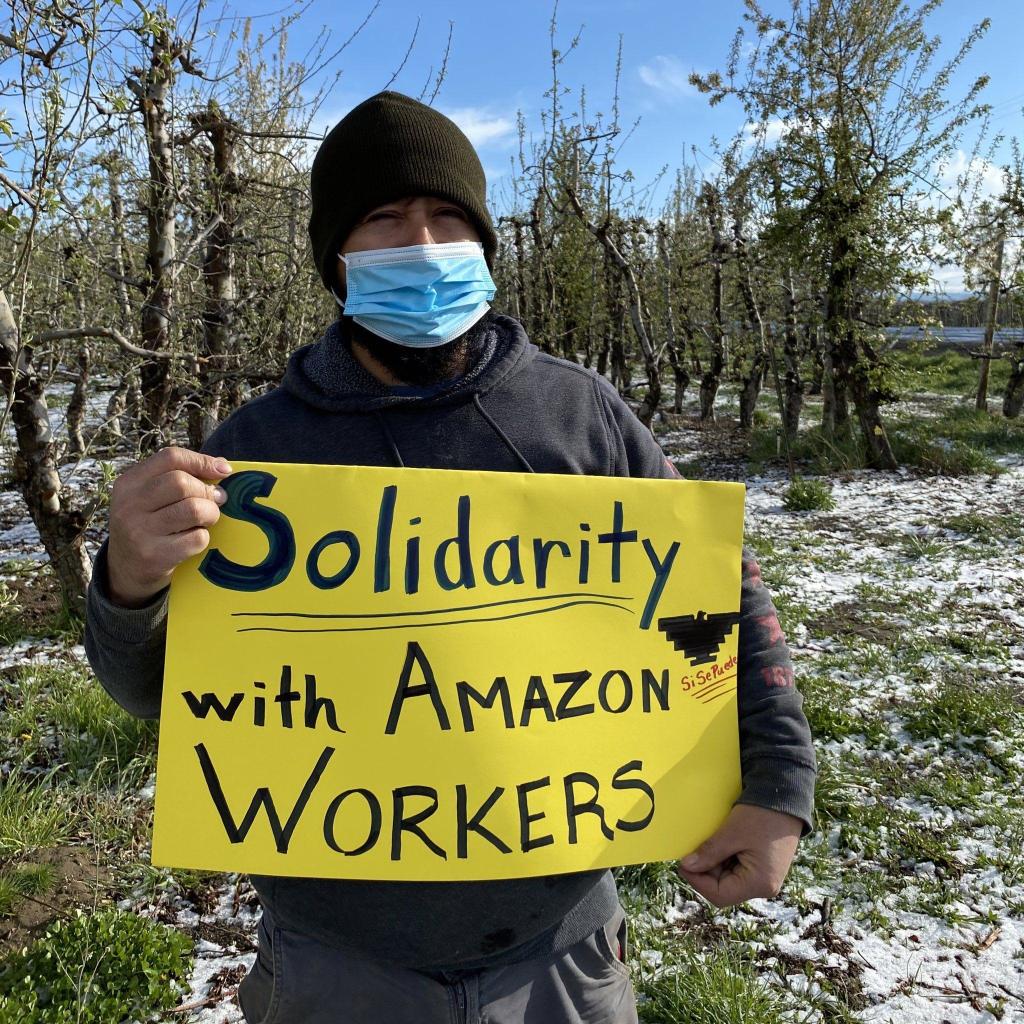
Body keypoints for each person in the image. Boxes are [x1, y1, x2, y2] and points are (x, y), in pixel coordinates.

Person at [84, 90, 815, 1024]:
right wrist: (129, 580)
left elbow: (723, 597)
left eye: (446, 217)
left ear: (483, 241)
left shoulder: (584, 418)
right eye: (384, 220)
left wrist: (778, 784)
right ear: (337, 259)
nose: (420, 243)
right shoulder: (252, 456)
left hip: (564, 948)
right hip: (333, 958)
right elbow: (154, 692)